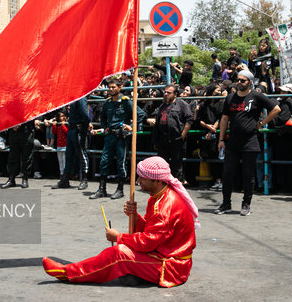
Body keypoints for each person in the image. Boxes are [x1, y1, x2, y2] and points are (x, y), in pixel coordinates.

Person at [42, 156, 197, 288]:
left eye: (142, 178)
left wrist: (118, 237)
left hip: (170, 266)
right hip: (163, 254)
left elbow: (148, 242)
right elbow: (154, 233)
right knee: (119, 252)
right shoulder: (159, 196)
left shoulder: (164, 206)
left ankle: (67, 273)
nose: (138, 181)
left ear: (156, 180)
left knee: (119, 253)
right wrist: (135, 217)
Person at [215, 70, 280, 215]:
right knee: (227, 173)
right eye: (237, 80)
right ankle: (226, 204)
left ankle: (246, 204)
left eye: (242, 80)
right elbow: (225, 119)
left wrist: (262, 122)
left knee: (248, 174)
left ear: (250, 82)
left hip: (250, 141)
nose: (239, 83)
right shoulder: (230, 98)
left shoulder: (256, 96)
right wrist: (221, 138)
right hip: (232, 142)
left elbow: (276, 108)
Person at [90, 79, 137, 200]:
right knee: (104, 161)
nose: (110, 89)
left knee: (120, 163)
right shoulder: (107, 103)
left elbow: (139, 115)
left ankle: (120, 189)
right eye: (109, 87)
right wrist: (105, 127)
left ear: (119, 87)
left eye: (113, 87)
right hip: (110, 136)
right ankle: (102, 189)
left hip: (121, 136)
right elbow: (103, 117)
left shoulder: (126, 102)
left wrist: (131, 127)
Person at [152, 84, 194, 183]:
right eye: (165, 92)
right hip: (163, 140)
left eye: (168, 93)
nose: (166, 94)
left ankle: (177, 189)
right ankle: (162, 188)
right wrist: (155, 141)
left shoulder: (181, 104)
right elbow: (157, 125)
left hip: (176, 140)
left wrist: (183, 134)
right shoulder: (162, 106)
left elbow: (190, 119)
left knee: (177, 166)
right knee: (161, 165)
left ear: (175, 94)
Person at [53, 97, 91, 190]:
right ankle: (65, 180)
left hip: (78, 128)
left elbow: (85, 115)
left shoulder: (80, 97)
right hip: (72, 128)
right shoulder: (74, 97)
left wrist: (85, 127)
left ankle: (84, 179)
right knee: (68, 155)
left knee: (82, 154)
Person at [2, 122, 35, 189]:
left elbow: (32, 114)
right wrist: (12, 123)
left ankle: (25, 178)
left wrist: (21, 122)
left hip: (26, 130)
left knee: (27, 156)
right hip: (14, 131)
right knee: (13, 156)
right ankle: (11, 179)